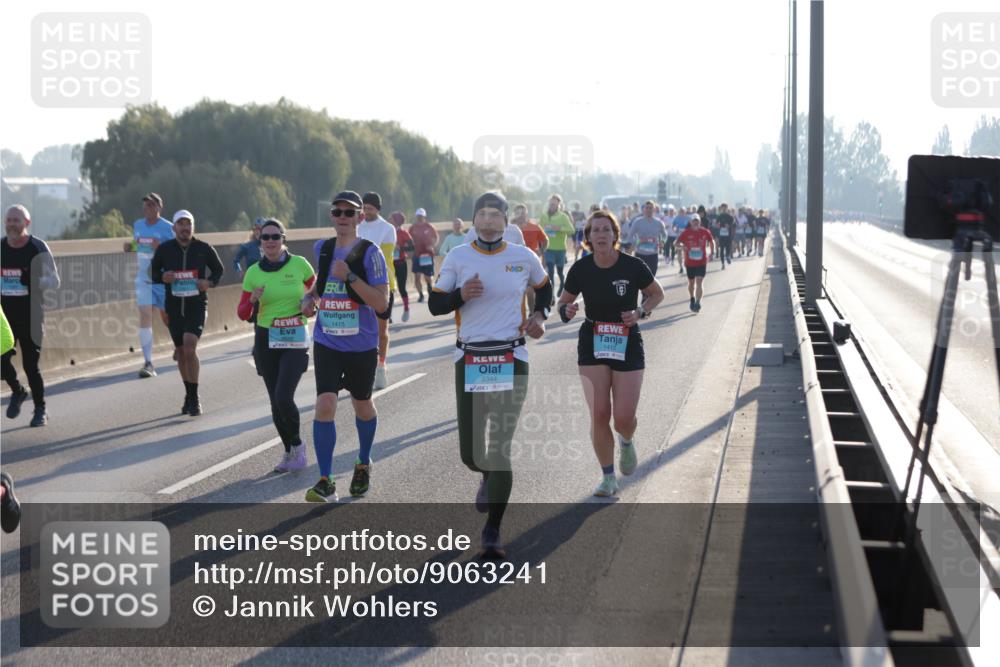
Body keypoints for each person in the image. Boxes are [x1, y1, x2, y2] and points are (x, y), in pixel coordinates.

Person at [429, 191, 551, 559]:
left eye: (494, 214)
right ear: (473, 220)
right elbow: (436, 304)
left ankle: (493, 528)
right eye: (481, 214)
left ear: (505, 221)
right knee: (471, 454)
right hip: (470, 358)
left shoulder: (523, 256)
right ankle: (484, 475)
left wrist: (539, 317)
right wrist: (460, 295)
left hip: (512, 356)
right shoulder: (458, 256)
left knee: (499, 448)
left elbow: (545, 290)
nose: (487, 220)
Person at [557, 210, 663, 496]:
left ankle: (626, 441)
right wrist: (567, 310)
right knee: (599, 413)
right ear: (588, 237)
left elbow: (657, 293)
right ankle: (608, 477)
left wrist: (640, 312)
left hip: (627, 341)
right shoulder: (580, 269)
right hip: (593, 340)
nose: (601, 234)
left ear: (615, 235)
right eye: (596, 230)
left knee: (623, 418)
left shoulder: (633, 265)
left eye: (606, 229)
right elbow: (562, 303)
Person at [302, 191, 390, 502]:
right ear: (332, 216)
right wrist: (310, 298)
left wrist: (350, 276)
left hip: (361, 345)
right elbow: (322, 285)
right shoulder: (323, 248)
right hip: (327, 340)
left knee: (361, 404)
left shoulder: (370, 253)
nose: (342, 217)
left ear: (359, 217)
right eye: (337, 211)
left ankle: (363, 462)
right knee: (325, 404)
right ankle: (325, 480)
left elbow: (381, 303)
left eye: (349, 212)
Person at [237, 218, 315, 472]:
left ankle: (298, 446)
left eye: (275, 237)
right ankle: (288, 450)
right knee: (274, 402)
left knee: (284, 396)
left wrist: (310, 304)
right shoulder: (253, 272)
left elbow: (317, 291)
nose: (270, 241)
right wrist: (253, 299)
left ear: (283, 239)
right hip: (266, 338)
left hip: (294, 336)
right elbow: (242, 313)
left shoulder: (300, 264)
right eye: (265, 237)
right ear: (259, 241)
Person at [151, 210, 224, 416]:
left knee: (190, 346)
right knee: (182, 351)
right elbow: (153, 273)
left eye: (188, 224)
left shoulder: (203, 248)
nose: (185, 228)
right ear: (174, 228)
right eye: (181, 224)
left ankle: (195, 398)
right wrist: (162, 276)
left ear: (193, 227)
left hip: (196, 305)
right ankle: (189, 394)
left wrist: (208, 282)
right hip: (174, 307)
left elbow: (218, 270)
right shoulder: (165, 249)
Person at [1, 206, 60, 426]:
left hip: (32, 316)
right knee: (1, 361)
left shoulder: (37, 247)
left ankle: (40, 409)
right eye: (9, 220)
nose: (11, 224)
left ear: (26, 223)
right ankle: (18, 390)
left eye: (16, 220)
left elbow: (55, 281)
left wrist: (34, 280)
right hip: (4, 319)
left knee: (30, 366)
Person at [124, 193, 175, 378]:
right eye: (145, 205)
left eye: (152, 205)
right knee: (145, 316)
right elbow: (138, 244)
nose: (148, 208)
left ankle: (179, 345)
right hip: (144, 280)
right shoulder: (138, 225)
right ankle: (148, 363)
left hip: (162, 280)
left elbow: (176, 252)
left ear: (160, 207)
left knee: (167, 317)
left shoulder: (168, 227)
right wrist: (130, 247)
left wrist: (160, 247)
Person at [358, 192, 397, 390]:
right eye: (364, 207)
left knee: (382, 330)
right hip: (359, 285)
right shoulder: (357, 227)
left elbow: (384, 256)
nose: (366, 211)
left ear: (378, 209)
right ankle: (365, 367)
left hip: (383, 284)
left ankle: (381, 366)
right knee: (362, 329)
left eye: (370, 208)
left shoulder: (387, 228)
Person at [675, 213, 716, 312]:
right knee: (691, 283)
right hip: (690, 262)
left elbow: (711, 241)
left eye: (697, 221)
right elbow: (676, 243)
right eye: (694, 221)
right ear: (691, 222)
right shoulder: (686, 232)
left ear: (700, 222)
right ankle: (692, 298)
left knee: (699, 281)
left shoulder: (705, 231)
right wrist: (682, 247)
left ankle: (698, 302)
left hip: (702, 261)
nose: (695, 223)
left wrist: (712, 252)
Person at [540, 194, 576, 297]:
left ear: (558, 205)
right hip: (548, 249)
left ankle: (562, 284)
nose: (552, 206)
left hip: (560, 249)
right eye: (551, 204)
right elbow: (540, 230)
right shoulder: (544, 216)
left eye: (554, 204)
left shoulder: (563, 217)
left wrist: (559, 228)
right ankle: (551, 294)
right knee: (550, 271)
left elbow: (571, 230)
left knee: (560, 272)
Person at [627, 200, 667, 278]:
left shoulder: (659, 223)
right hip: (640, 254)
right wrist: (638, 241)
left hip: (653, 254)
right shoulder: (637, 222)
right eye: (647, 208)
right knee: (640, 278)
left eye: (650, 208)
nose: (648, 210)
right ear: (644, 209)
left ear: (654, 210)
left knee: (651, 278)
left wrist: (662, 242)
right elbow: (629, 237)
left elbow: (665, 235)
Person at [409, 207, 439, 303]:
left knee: (427, 277)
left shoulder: (429, 227)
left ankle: (430, 288)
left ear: (424, 217)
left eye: (421, 216)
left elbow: (436, 237)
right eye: (418, 216)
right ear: (416, 217)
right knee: (417, 277)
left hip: (427, 255)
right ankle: (421, 295)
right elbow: (408, 241)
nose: (419, 218)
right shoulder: (412, 228)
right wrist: (410, 252)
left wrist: (432, 246)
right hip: (417, 255)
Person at [389, 211, 414, 322]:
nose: (389, 220)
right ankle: (388, 315)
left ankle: (406, 309)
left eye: (391, 218)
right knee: (389, 289)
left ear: (396, 221)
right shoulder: (387, 231)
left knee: (401, 288)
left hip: (401, 263)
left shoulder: (404, 233)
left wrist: (401, 248)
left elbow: (412, 247)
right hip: (389, 264)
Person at [716, 203, 735, 269]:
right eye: (722, 207)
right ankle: (723, 264)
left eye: (725, 207)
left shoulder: (729, 216)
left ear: (727, 208)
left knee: (728, 248)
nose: (724, 209)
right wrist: (718, 225)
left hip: (728, 235)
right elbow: (716, 224)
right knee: (721, 249)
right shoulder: (720, 216)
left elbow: (733, 223)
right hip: (721, 235)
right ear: (721, 208)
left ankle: (728, 256)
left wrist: (729, 226)